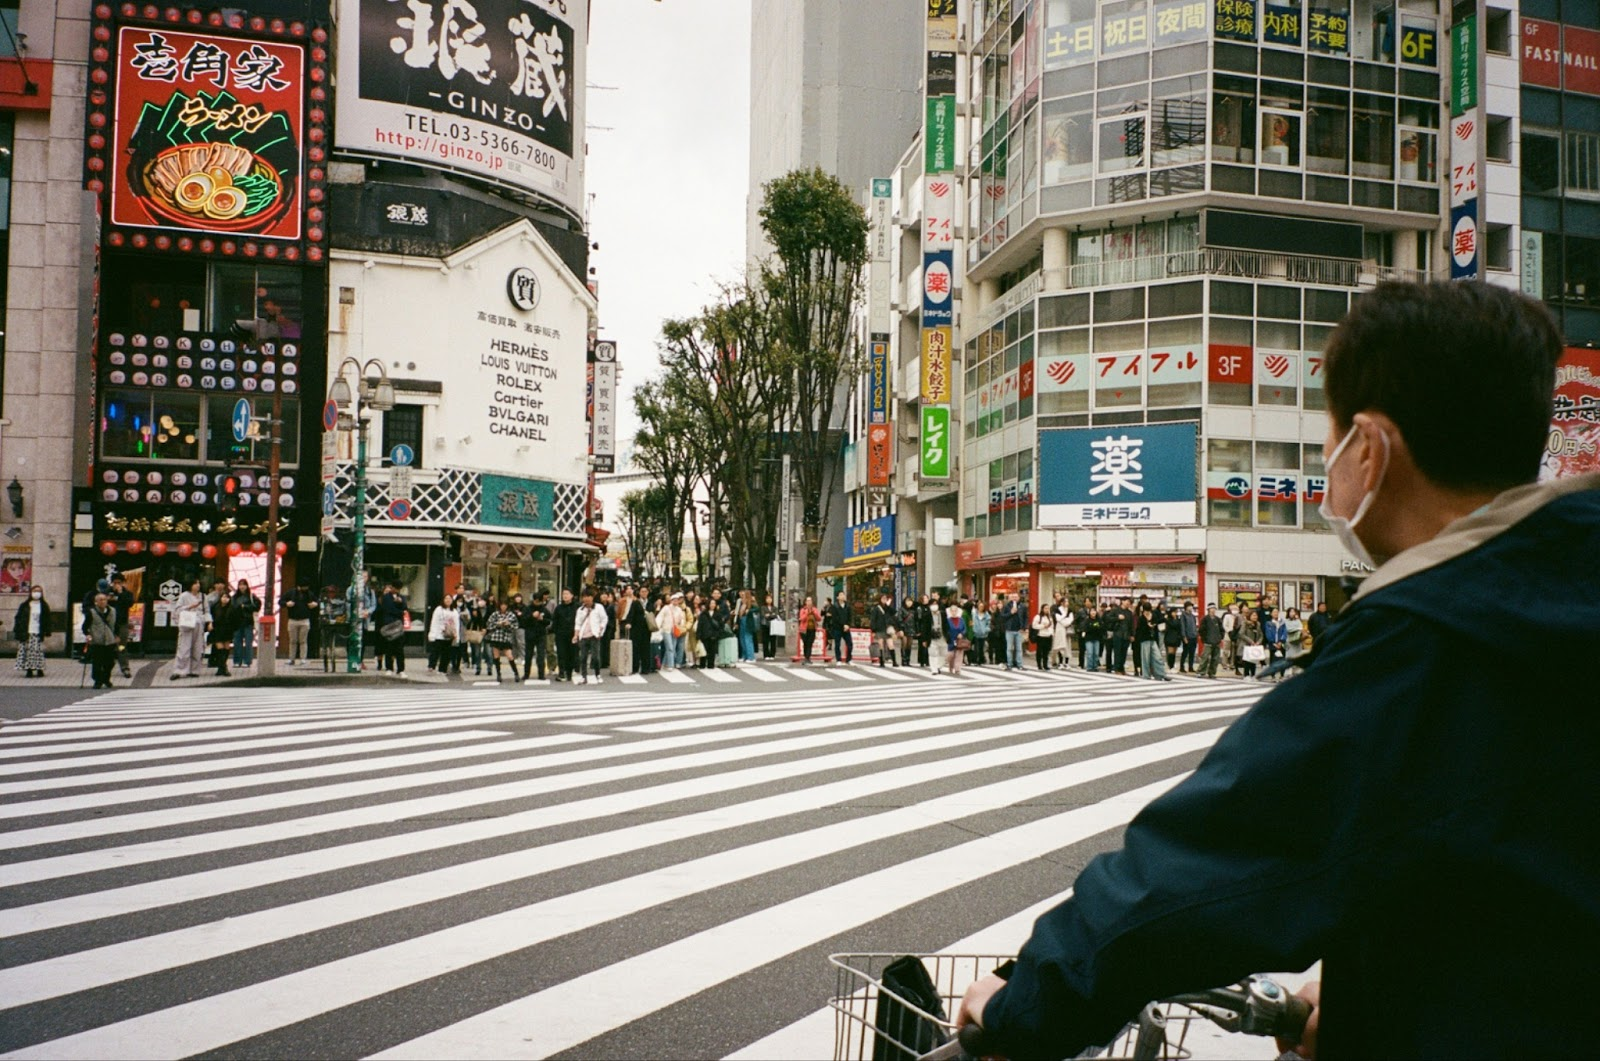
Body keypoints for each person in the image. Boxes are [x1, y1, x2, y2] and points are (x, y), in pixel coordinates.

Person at [958, 281, 1600, 1059]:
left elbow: (1212, 860)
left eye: (1328, 442)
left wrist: (1027, 997)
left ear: (1369, 448)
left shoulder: (1424, 645)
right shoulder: (1559, 594)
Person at [168, 579, 208, 679]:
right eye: (195, 583)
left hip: (199, 623)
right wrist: (190, 606)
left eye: (198, 583)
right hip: (187, 623)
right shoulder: (184, 596)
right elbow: (177, 610)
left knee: (197, 647)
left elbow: (207, 610)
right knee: (184, 647)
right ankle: (179, 670)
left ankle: (194, 670)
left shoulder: (203, 596)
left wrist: (209, 622)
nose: (197, 585)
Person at [82, 591, 119, 689]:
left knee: (110, 662)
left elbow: (116, 624)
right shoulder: (91, 612)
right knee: (97, 662)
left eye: (105, 599)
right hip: (97, 641)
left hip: (110, 640)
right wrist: (88, 635)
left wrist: (117, 635)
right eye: (100, 600)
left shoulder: (113, 611)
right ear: (96, 602)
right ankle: (98, 681)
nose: (103, 602)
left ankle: (106, 678)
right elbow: (85, 626)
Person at [12, 585, 51, 678]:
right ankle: (29, 670)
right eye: (35, 591)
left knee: (37, 651)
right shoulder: (25, 605)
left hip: (37, 631)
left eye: (39, 591)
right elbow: (18, 618)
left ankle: (39, 669)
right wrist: (18, 629)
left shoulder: (44, 606)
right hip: (27, 631)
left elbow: (47, 619)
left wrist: (47, 630)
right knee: (27, 651)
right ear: (31, 592)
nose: (36, 593)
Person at [372, 581, 407, 674]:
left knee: (399, 649)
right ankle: (389, 668)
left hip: (398, 625)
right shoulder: (386, 597)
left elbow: (405, 608)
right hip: (389, 624)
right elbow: (389, 609)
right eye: (395, 588)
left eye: (398, 589)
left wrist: (400, 603)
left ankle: (401, 669)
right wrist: (399, 612)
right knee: (389, 648)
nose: (396, 590)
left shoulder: (402, 597)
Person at [574, 589, 608, 683]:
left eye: (588, 596)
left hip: (594, 635)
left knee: (595, 657)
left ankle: (598, 674)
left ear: (592, 597)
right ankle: (583, 676)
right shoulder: (580, 610)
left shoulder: (598, 607)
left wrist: (601, 630)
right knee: (583, 657)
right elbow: (578, 623)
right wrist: (576, 635)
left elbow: (604, 619)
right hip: (583, 636)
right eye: (584, 597)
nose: (586, 599)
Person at [484, 598, 520, 683]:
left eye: (505, 605)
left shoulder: (511, 615)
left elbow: (516, 626)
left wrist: (508, 624)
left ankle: (516, 673)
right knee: (496, 656)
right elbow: (488, 625)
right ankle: (498, 674)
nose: (503, 607)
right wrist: (498, 624)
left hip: (506, 637)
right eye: (502, 605)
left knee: (510, 656)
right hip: (496, 637)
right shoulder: (495, 614)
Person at [280, 582, 316, 666]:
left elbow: (316, 601)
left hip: (305, 620)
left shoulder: (309, 594)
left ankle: (303, 659)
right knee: (293, 641)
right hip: (293, 620)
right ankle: (291, 659)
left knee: (303, 641)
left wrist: (315, 604)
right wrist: (286, 604)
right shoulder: (290, 593)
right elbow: (281, 601)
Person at [228, 578, 261, 670]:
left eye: (244, 585)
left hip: (248, 622)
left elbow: (257, 606)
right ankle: (237, 661)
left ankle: (247, 661)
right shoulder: (234, 597)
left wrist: (245, 607)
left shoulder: (251, 596)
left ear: (247, 586)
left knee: (248, 643)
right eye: (240, 585)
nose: (242, 587)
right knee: (237, 643)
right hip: (237, 623)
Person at [107, 572, 135, 679]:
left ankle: (125, 667)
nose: (117, 585)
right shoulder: (108, 593)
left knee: (122, 646)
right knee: (108, 646)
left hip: (122, 623)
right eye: (115, 583)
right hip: (109, 625)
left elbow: (130, 603)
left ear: (123, 583)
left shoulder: (127, 594)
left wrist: (121, 593)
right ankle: (106, 668)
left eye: (119, 583)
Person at [522, 590, 553, 680]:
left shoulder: (544, 609)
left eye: (540, 601)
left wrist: (542, 619)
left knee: (541, 655)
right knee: (528, 655)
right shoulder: (528, 609)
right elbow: (523, 621)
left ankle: (541, 674)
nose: (538, 603)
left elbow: (549, 621)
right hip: (529, 634)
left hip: (541, 635)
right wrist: (532, 616)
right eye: (536, 601)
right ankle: (526, 674)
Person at [319, 585, 349, 673]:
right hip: (325, 624)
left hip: (336, 623)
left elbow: (343, 610)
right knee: (325, 645)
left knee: (332, 645)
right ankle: (326, 664)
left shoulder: (340, 600)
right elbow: (322, 611)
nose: (331, 594)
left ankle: (332, 663)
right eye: (329, 592)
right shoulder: (323, 600)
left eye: (332, 592)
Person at [551, 588, 577, 681]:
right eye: (563, 594)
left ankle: (569, 672)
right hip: (561, 634)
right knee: (561, 653)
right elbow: (555, 621)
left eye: (567, 594)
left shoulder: (576, 607)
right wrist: (555, 631)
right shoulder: (559, 608)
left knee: (571, 653)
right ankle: (561, 672)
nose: (565, 596)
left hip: (572, 634)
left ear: (572, 595)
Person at [427, 596, 459, 672]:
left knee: (446, 653)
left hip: (449, 635)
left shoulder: (454, 611)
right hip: (438, 634)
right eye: (446, 599)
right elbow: (434, 622)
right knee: (435, 651)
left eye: (450, 599)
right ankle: (431, 666)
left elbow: (456, 624)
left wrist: (457, 635)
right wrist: (432, 634)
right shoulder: (438, 609)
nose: (448, 600)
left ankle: (442, 669)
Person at [657, 591, 686, 670]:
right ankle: (670, 665)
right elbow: (660, 617)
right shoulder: (666, 608)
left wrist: (681, 624)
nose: (676, 601)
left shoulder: (679, 610)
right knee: (670, 647)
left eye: (677, 600)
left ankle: (664, 663)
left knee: (671, 647)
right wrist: (658, 627)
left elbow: (682, 619)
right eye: (674, 600)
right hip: (666, 630)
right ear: (671, 600)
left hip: (674, 630)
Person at [868, 591, 898, 667]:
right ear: (880, 599)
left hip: (887, 629)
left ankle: (894, 661)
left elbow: (894, 613)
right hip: (879, 629)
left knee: (891, 645)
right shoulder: (876, 608)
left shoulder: (887, 608)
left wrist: (888, 605)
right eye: (883, 598)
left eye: (885, 598)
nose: (884, 599)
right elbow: (873, 620)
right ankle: (881, 661)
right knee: (880, 645)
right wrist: (873, 630)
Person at [1197, 603, 1225, 678]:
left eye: (1214, 609)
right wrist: (1204, 639)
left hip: (1216, 641)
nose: (1213, 610)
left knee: (1215, 658)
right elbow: (1201, 630)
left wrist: (1220, 637)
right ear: (1208, 610)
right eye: (1211, 608)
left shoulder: (1218, 619)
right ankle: (1201, 671)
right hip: (1208, 642)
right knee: (1205, 657)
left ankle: (1212, 672)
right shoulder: (1205, 619)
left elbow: (1222, 630)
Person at [999, 593, 1026, 670]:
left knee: (1019, 648)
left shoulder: (1022, 606)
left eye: (1016, 597)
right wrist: (1011, 613)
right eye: (1013, 597)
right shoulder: (1007, 606)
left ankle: (1019, 664)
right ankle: (1009, 663)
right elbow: (1003, 616)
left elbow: (1025, 617)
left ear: (1019, 598)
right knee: (1009, 648)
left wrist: (1024, 627)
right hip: (1009, 629)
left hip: (1019, 630)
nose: (1014, 598)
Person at [823, 593, 852, 666]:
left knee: (850, 644)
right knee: (837, 644)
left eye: (843, 595)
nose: (843, 596)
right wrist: (843, 625)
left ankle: (848, 659)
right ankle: (838, 659)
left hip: (846, 628)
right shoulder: (835, 607)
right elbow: (835, 618)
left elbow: (850, 616)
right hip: (837, 628)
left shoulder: (847, 606)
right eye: (841, 595)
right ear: (838, 597)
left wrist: (848, 625)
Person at [1236, 611, 1265, 678]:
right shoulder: (1245, 623)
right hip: (1247, 645)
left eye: (1256, 615)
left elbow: (1261, 635)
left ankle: (1253, 674)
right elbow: (1241, 634)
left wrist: (1258, 642)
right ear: (1250, 616)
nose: (1255, 617)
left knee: (1254, 660)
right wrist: (1251, 641)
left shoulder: (1258, 624)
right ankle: (1246, 675)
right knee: (1247, 660)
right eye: (1253, 615)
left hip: (1255, 645)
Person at [945, 598, 968, 676]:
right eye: (952, 611)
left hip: (959, 640)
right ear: (950, 611)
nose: (954, 612)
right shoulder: (948, 620)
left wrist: (962, 633)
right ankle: (951, 667)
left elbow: (965, 628)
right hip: (951, 639)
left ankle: (957, 669)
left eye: (955, 610)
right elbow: (946, 629)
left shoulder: (961, 620)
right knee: (951, 655)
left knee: (959, 654)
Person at [796, 595, 821, 664]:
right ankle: (806, 657)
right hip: (804, 629)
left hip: (812, 629)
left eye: (810, 601)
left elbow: (819, 618)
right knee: (806, 643)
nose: (809, 602)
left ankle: (808, 657)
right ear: (805, 602)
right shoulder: (803, 610)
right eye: (808, 601)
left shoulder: (815, 609)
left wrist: (814, 613)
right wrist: (807, 613)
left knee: (810, 643)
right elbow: (801, 618)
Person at [1031, 604, 1055, 671]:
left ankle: (1045, 665)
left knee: (1046, 651)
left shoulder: (1050, 617)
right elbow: (1034, 625)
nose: (1047, 610)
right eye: (1045, 608)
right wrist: (1043, 626)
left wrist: (1052, 633)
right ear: (1042, 609)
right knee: (1039, 651)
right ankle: (1039, 665)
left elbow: (1052, 626)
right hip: (1041, 635)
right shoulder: (1038, 617)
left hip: (1048, 635)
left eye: (1048, 608)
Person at [1179, 602, 1200, 674]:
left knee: (1192, 653)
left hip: (1193, 636)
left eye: (1191, 606)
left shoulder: (1193, 616)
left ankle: (1190, 666)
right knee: (1185, 652)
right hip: (1187, 637)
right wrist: (1184, 636)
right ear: (1186, 607)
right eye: (1189, 606)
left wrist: (1196, 634)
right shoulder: (1183, 616)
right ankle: (1182, 666)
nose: (1191, 607)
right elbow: (1183, 627)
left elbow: (1195, 625)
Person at [968, 600, 990, 667]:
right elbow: (971, 622)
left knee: (982, 648)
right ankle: (976, 660)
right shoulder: (974, 614)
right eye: (980, 606)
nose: (981, 608)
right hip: (976, 633)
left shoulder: (986, 615)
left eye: (982, 606)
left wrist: (986, 630)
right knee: (976, 648)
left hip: (983, 634)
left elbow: (988, 624)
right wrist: (973, 629)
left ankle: (981, 660)